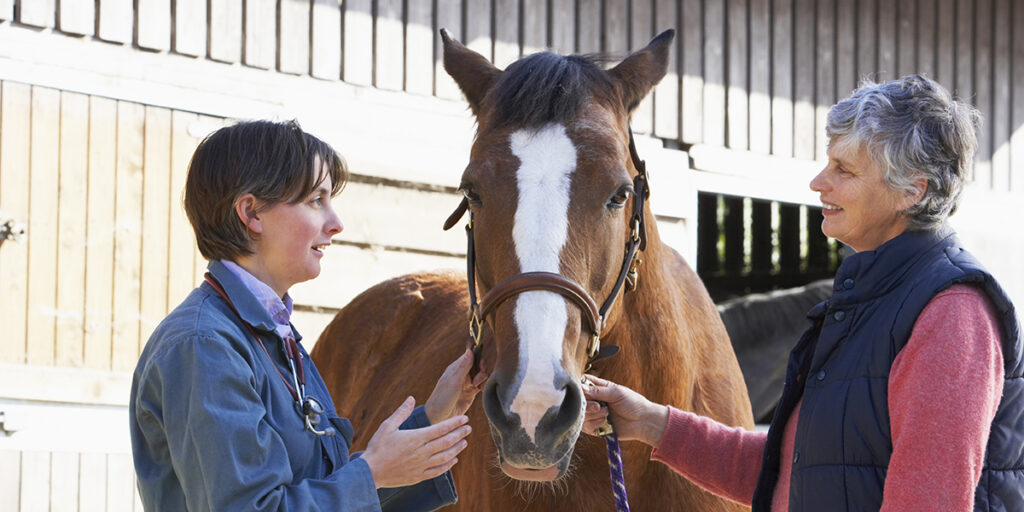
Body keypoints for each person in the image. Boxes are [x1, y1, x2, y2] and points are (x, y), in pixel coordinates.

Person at [583, 75, 1023, 511]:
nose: (818, 182)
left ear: (912, 191)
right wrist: (649, 422)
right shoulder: (870, 302)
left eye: (844, 170)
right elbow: (796, 472)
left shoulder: (951, 316)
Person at [129, 119, 487, 511]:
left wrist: (433, 419)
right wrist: (372, 472)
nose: (335, 224)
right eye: (316, 200)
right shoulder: (204, 347)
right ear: (252, 213)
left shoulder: (271, 334)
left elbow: (317, 491)